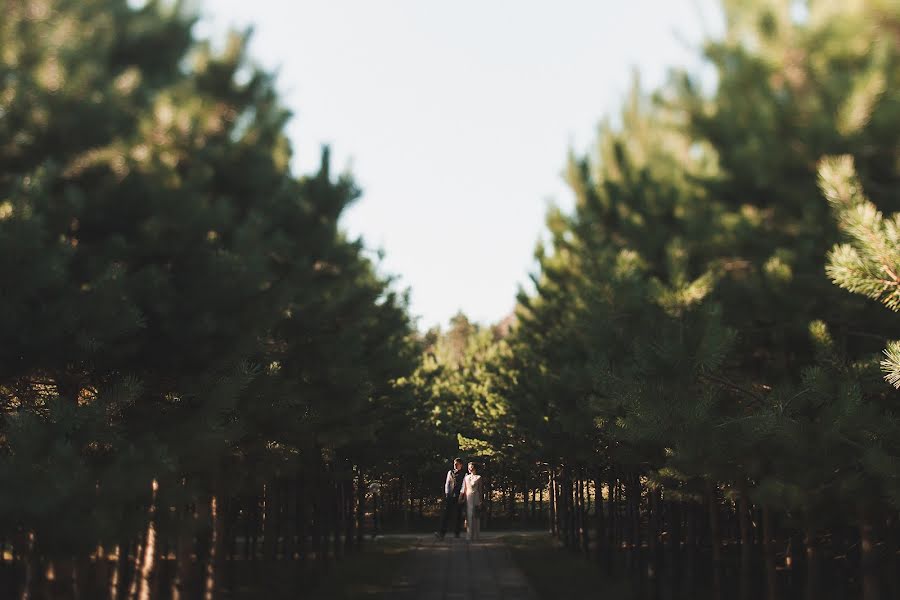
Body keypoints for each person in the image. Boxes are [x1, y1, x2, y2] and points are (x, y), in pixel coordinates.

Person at [436, 458, 465, 539]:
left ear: (461, 465)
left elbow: (464, 485)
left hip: (459, 496)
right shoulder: (450, 472)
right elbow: (447, 483)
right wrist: (447, 494)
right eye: (454, 463)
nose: (455, 465)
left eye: (457, 464)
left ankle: (457, 532)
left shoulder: (464, 474)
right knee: (446, 514)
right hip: (450, 495)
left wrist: (462, 496)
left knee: (458, 514)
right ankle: (442, 532)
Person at [459, 461, 483, 541]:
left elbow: (480, 490)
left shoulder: (478, 477)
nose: (470, 469)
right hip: (468, 497)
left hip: (476, 497)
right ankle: (469, 535)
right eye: (469, 467)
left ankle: (477, 536)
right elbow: (464, 488)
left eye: (471, 467)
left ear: (474, 468)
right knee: (469, 515)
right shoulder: (466, 477)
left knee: (476, 516)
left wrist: (480, 501)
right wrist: (461, 498)